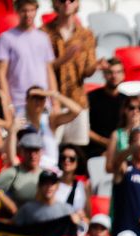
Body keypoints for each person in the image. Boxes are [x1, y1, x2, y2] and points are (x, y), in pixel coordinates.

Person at [47, 0, 96, 148]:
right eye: (62, 0)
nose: (67, 3)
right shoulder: (45, 33)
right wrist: (63, 60)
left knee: (77, 150)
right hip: (53, 101)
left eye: (71, 0)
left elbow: (87, 71)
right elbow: (40, 68)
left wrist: (97, 66)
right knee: (51, 148)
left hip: (77, 100)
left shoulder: (86, 35)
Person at [0, 0, 56, 106]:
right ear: (17, 11)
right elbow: (2, 73)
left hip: (43, 102)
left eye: (31, 10)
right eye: (24, 10)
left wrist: (55, 103)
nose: (28, 14)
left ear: (36, 11)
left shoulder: (44, 38)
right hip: (18, 102)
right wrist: (8, 103)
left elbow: (49, 71)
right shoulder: (6, 38)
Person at [84, 56, 125, 156]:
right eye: (110, 72)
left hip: (121, 148)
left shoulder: (127, 101)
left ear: (123, 75)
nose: (114, 76)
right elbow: (84, 129)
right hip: (95, 148)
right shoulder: (91, 98)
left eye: (118, 72)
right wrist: (104, 141)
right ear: (104, 75)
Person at [0, 127, 47, 205]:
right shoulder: (11, 174)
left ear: (41, 152)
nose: (33, 155)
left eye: (36, 150)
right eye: (29, 151)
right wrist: (12, 209)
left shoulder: (46, 175)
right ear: (21, 151)